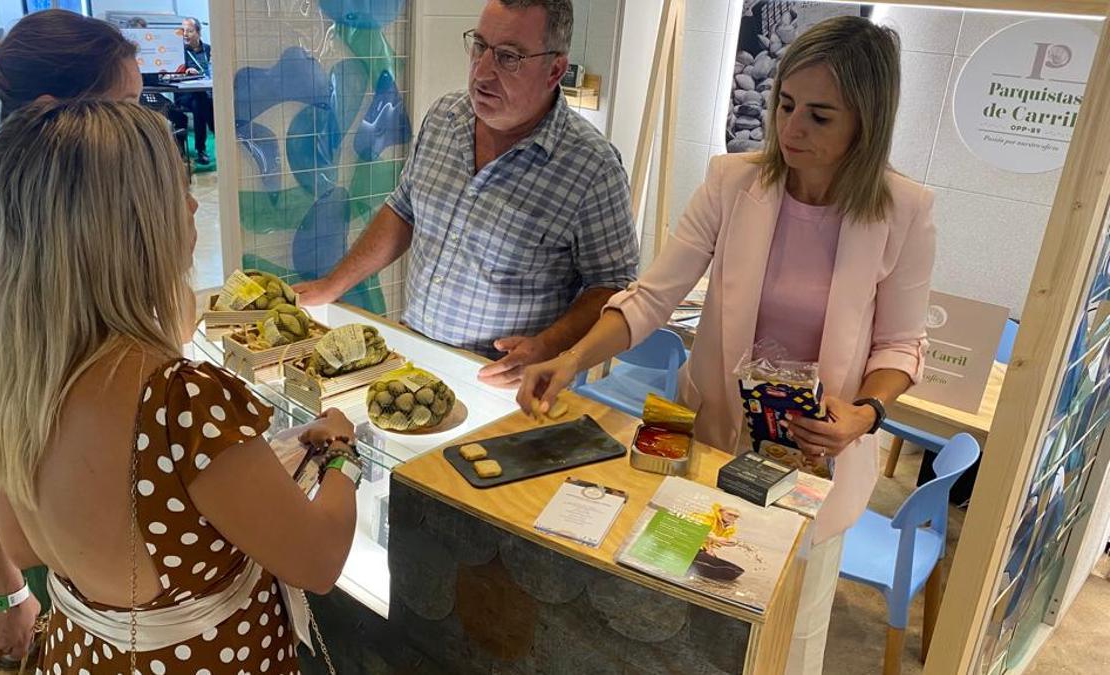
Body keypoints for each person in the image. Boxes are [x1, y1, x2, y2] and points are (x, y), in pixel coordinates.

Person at [517, 16, 932, 675]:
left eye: (820, 117)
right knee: (685, 615)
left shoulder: (903, 210)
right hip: (710, 442)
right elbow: (652, 295)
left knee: (786, 638)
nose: (791, 130)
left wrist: (864, 414)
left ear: (866, 122)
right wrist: (571, 357)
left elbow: (902, 346)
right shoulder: (734, 181)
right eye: (785, 105)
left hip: (816, 464)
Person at [0, 99, 360, 672]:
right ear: (132, 227)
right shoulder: (184, 399)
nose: (194, 202)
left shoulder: (16, 379)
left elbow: (22, 545)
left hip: (84, 653)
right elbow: (319, 561)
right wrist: (342, 456)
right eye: (176, 190)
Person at [0, 9, 143, 666]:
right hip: (20, 558)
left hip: (67, 528)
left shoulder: (71, 223)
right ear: (54, 113)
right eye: (126, 106)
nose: (145, 126)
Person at [295, 0, 638, 388]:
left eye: (509, 57)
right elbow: (404, 210)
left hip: (503, 384)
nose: (482, 71)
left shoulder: (592, 167)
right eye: (479, 46)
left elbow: (613, 286)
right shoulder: (444, 117)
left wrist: (548, 346)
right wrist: (332, 286)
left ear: (555, 69)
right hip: (413, 357)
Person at [175, 16, 214, 165]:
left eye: (189, 31)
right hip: (185, 94)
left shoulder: (209, 49)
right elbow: (173, 74)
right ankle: (202, 148)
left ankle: (202, 149)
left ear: (198, 32)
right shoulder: (179, 52)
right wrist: (186, 71)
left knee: (201, 102)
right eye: (183, 31)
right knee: (200, 101)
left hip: (206, 93)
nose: (185, 34)